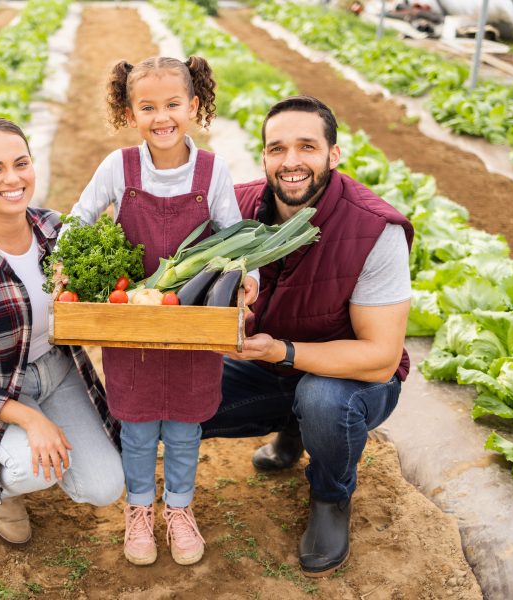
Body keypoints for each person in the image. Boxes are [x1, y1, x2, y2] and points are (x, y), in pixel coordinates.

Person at [201, 95, 413, 577]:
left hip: (352, 379)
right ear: (264, 158)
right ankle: (291, 430)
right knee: (183, 397)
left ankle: (330, 499)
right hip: (264, 364)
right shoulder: (238, 208)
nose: (291, 161)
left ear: (333, 155)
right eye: (277, 149)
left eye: (306, 147)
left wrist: (283, 351)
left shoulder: (374, 229)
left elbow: (380, 357)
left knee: (322, 399)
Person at [65, 56, 259, 566]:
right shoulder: (119, 167)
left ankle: (179, 508)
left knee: (184, 425)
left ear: (193, 106)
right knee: (136, 424)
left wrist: (248, 282)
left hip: (192, 319)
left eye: (173, 104)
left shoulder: (212, 170)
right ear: (130, 113)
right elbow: (79, 217)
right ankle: (138, 510)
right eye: (147, 107)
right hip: (131, 317)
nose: (162, 117)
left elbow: (235, 236)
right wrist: (65, 263)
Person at [0, 117, 124, 545]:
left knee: (105, 487)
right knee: (31, 468)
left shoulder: (55, 230)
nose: (12, 179)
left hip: (58, 369)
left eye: (21, 163)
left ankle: (35, 444)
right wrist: (29, 418)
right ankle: (3, 489)